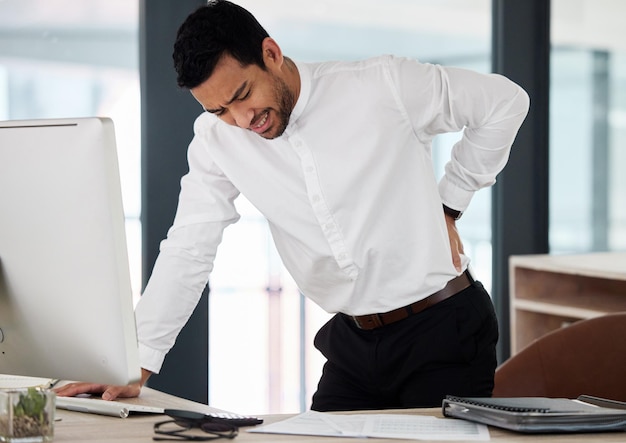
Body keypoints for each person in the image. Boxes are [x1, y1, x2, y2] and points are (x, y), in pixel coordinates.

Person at [56, 0, 529, 411]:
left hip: (442, 330)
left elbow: (504, 102)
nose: (242, 120)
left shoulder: (382, 86)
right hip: (353, 342)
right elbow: (188, 246)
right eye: (218, 110)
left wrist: (448, 205)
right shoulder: (217, 142)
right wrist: (136, 360)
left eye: (242, 94)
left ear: (271, 53)